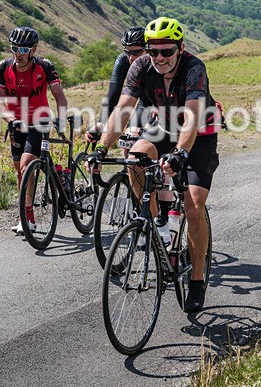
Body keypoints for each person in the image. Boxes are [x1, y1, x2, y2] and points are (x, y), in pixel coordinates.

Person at [91, 16, 221, 313]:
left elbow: (192, 116)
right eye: (153, 51)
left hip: (199, 134)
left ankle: (198, 279)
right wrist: (101, 147)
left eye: (167, 51)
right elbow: (123, 108)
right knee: (135, 159)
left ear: (180, 48)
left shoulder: (194, 68)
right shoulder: (140, 66)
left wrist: (179, 154)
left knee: (193, 207)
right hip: (163, 126)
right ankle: (156, 224)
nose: (159, 58)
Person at [0, 26, 68, 235]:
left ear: (33, 50)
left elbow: (59, 96)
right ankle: (58, 176)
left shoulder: (44, 66)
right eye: (15, 48)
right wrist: (11, 118)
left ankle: (27, 217)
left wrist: (60, 120)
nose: (18, 53)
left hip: (40, 121)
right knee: (20, 173)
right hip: (17, 123)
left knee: (27, 165)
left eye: (24, 49)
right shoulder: (3, 67)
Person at [85, 27, 153, 143]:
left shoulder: (157, 62)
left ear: (148, 49)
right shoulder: (123, 61)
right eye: (128, 52)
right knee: (128, 140)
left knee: (150, 140)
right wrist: (101, 124)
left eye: (137, 52)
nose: (131, 57)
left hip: (164, 107)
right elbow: (113, 93)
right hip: (144, 104)